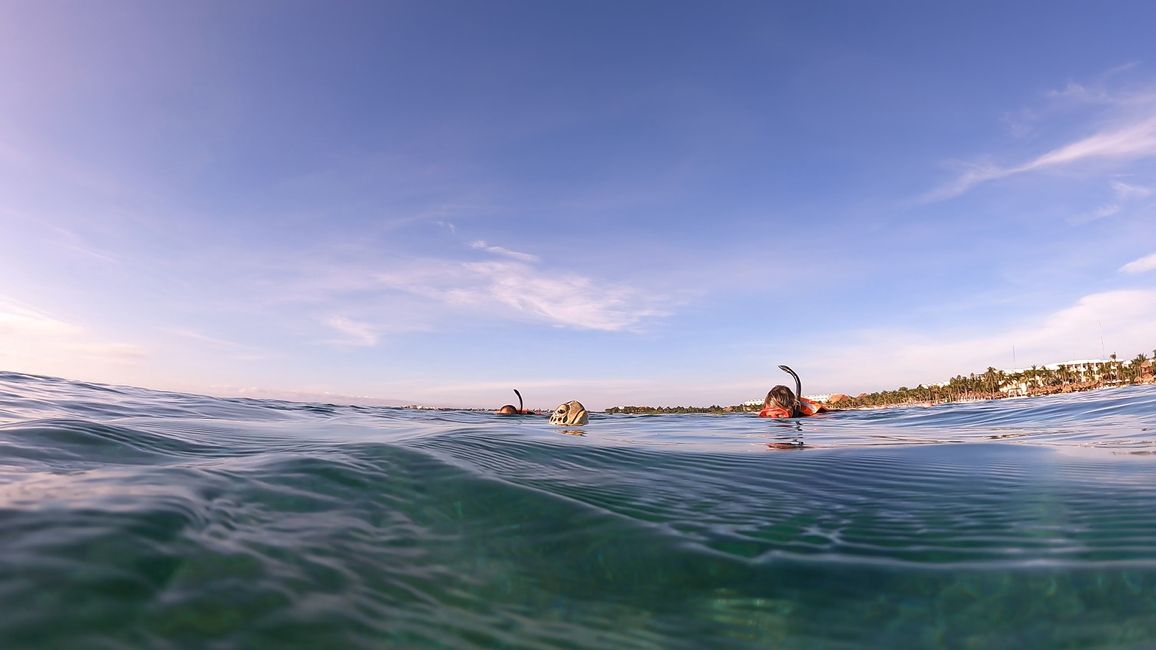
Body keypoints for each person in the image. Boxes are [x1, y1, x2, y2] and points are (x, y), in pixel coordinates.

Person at [758, 364, 828, 418]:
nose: (774, 421)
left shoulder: (814, 413)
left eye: (779, 415)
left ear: (792, 409)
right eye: (769, 416)